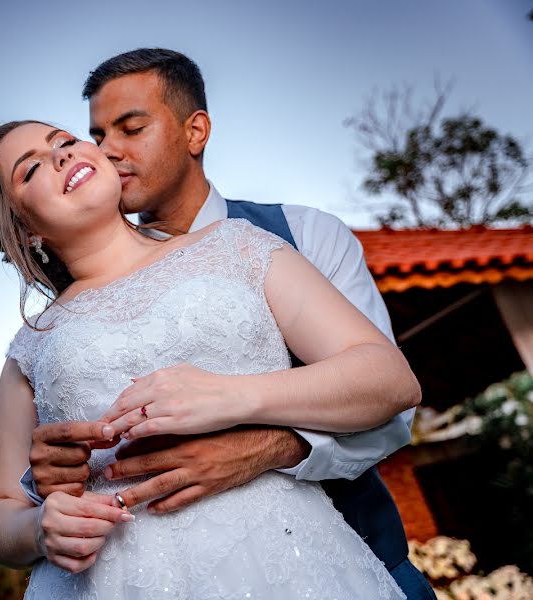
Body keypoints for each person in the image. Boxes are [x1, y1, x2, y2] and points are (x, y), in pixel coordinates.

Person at [22, 48, 436, 599]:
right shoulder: (78, 292)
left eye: (131, 127)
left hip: (343, 563)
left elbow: (393, 409)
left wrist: (265, 447)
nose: (108, 151)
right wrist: (46, 479)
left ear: (196, 132)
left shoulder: (302, 235)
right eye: (97, 135)